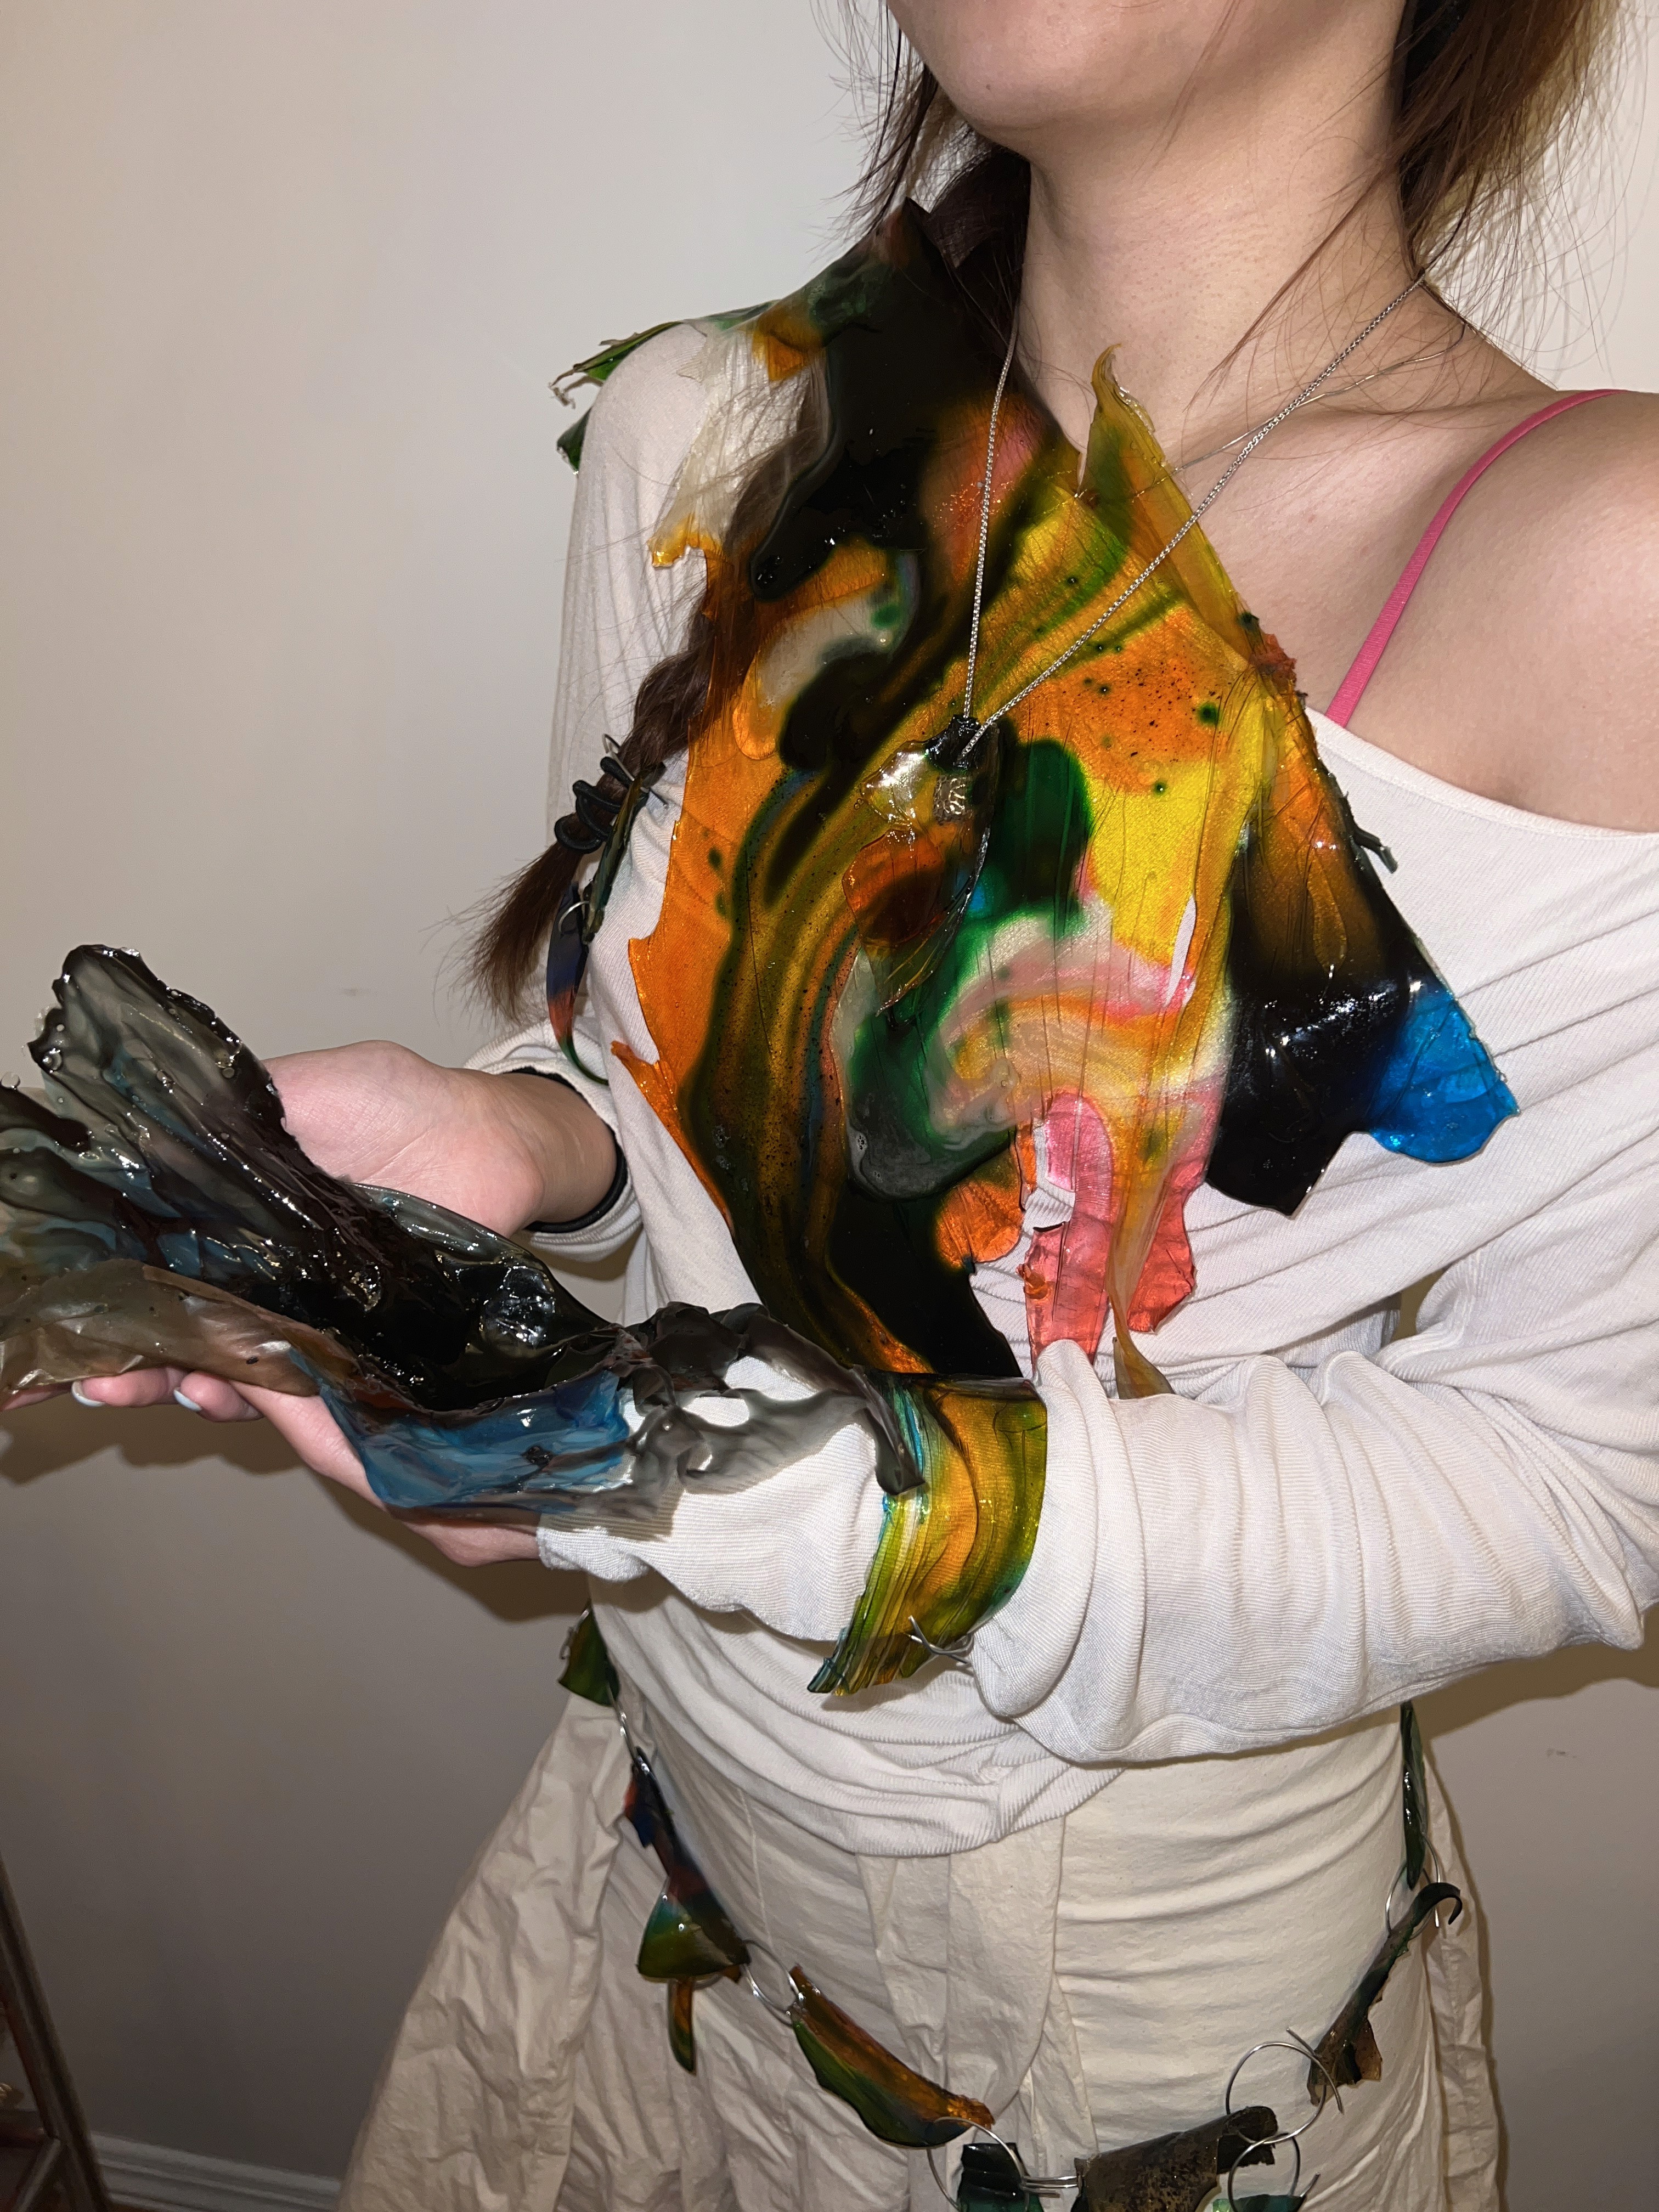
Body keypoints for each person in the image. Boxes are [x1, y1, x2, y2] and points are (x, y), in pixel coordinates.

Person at [71, 1, 1658, 2206]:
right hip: (669, 1856)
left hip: (1120, 2064)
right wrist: (524, 1141)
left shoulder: (1603, 569)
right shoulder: (716, 425)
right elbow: (669, 1082)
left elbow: (1584, 1477)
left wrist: (705, 1470)